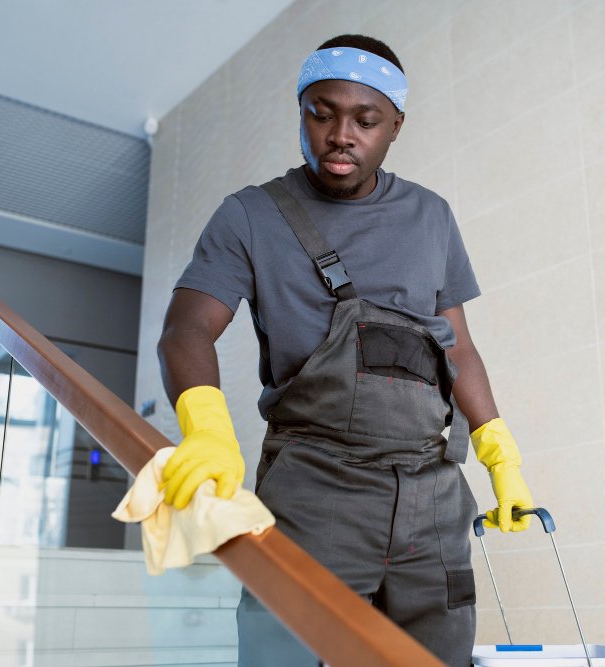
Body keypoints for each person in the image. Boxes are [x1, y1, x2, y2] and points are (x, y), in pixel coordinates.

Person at [157, 34, 534, 666]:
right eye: (321, 112)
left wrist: (500, 454)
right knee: (280, 656)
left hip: (432, 494)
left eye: (366, 120)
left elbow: (458, 347)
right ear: (301, 111)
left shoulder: (432, 216)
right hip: (315, 491)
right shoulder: (250, 216)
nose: (340, 135)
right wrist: (208, 429)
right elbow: (186, 329)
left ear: (395, 128)